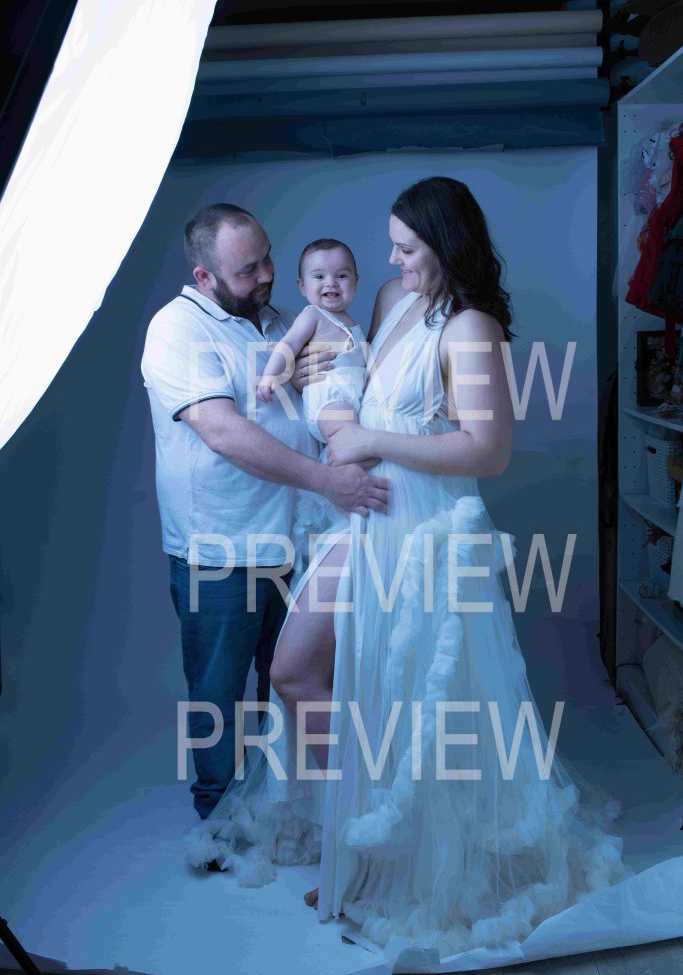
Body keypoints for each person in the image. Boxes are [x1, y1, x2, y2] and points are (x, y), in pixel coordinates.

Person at [187, 179, 678, 967]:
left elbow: (486, 450)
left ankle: (394, 853)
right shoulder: (391, 299)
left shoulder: (470, 328)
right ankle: (364, 832)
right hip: (363, 513)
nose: (390, 260)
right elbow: (353, 375)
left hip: (424, 528)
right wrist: (320, 377)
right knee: (297, 670)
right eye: (391, 247)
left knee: (415, 693)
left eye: (406, 248)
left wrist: (371, 440)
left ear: (446, 246)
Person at [141, 203, 389, 820]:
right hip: (220, 548)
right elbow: (223, 431)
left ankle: (279, 811)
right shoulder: (177, 329)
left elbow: (302, 398)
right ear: (204, 277)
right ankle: (218, 821)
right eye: (248, 270)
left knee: (290, 685)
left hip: (294, 541)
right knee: (218, 695)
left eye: (268, 259)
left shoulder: (277, 320)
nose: (267, 275)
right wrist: (329, 481)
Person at [257, 238, 367, 445]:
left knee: (357, 436)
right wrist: (269, 375)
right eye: (319, 276)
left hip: (352, 397)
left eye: (342, 275)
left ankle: (339, 456)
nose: (331, 282)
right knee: (349, 439)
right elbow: (288, 344)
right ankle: (343, 456)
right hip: (330, 398)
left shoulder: (350, 321)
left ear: (356, 281)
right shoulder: (313, 315)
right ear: (302, 286)